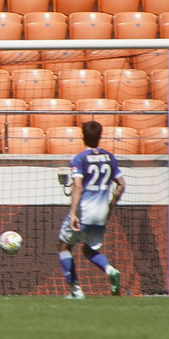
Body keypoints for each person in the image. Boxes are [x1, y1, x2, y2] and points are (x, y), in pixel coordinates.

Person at [58, 121, 126, 299]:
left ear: (83, 136)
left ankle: (75, 291)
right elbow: (121, 185)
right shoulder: (110, 157)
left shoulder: (79, 159)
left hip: (84, 210)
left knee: (64, 246)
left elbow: (78, 187)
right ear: (100, 136)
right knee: (88, 250)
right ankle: (110, 270)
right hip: (102, 211)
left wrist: (73, 213)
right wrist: (111, 205)